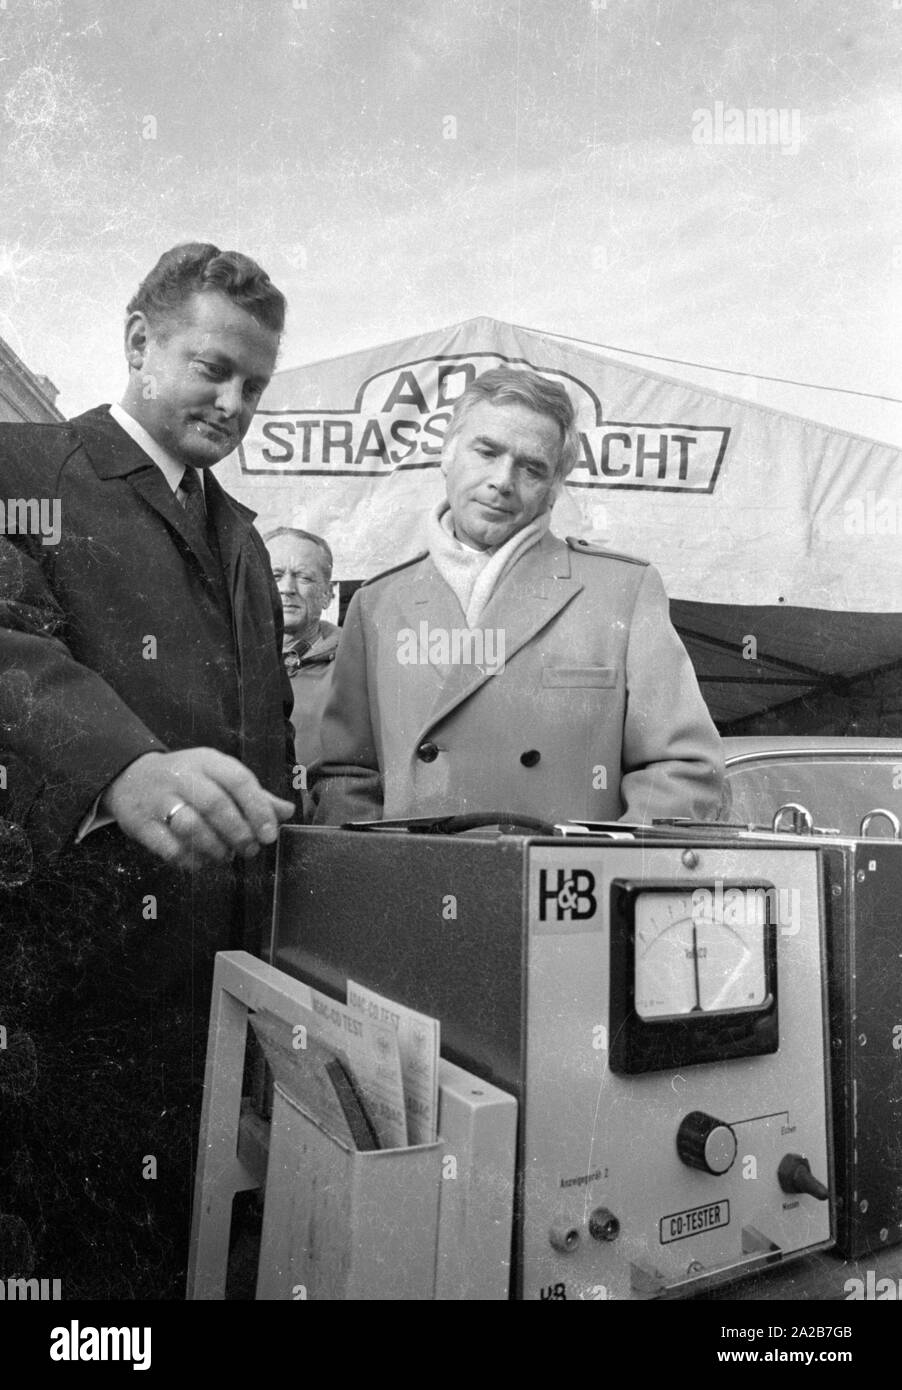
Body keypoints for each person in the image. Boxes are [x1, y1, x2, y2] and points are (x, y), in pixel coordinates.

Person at [0, 242, 295, 1298]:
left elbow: (271, 740)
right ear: (137, 341)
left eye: (254, 385)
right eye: (212, 367)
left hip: (216, 984)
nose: (233, 400)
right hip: (66, 988)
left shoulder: (245, 538)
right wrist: (121, 764)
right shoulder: (25, 466)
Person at [310, 366, 724, 827]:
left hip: (558, 889)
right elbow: (347, 775)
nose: (503, 481)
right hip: (417, 883)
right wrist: (380, 868)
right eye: (486, 451)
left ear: (553, 490)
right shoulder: (377, 604)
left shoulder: (623, 591)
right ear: (447, 455)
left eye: (532, 468)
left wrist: (601, 869)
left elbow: (684, 769)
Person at [265, 527, 339, 771]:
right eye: (275, 576)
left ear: (328, 594)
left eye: (304, 577)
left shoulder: (356, 666)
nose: (287, 588)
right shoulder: (226, 662)